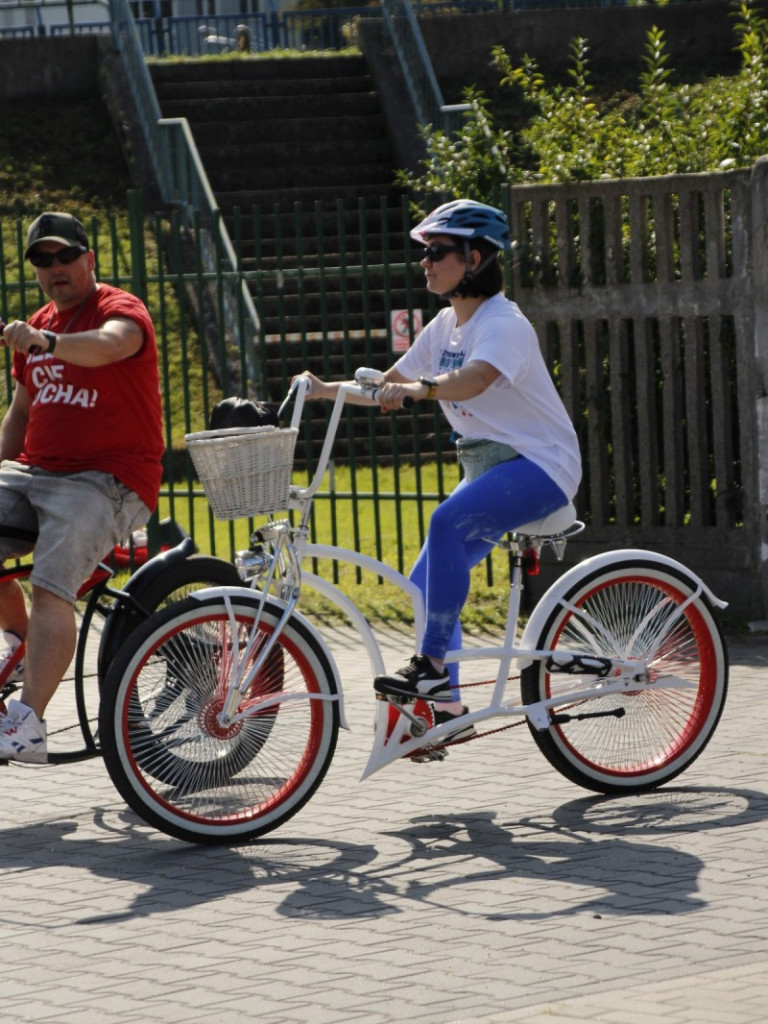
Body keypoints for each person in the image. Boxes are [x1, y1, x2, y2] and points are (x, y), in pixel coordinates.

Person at [297, 199, 582, 738]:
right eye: (424, 253)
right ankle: (449, 709)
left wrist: (419, 390)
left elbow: (473, 380)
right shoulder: (445, 325)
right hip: (492, 468)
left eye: (437, 252)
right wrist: (325, 390)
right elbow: (388, 382)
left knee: (445, 522)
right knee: (422, 581)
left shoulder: (503, 324)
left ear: (473, 258)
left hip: (542, 466)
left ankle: (429, 672)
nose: (424, 262)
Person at [0, 211, 164, 762]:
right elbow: (19, 415)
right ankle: (25, 648)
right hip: (36, 473)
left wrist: (45, 341)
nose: (55, 268)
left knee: (52, 586)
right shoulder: (38, 326)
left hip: (106, 480)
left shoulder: (118, 309)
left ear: (89, 259)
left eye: (65, 255)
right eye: (42, 260)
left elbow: (113, 346)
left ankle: (26, 725)